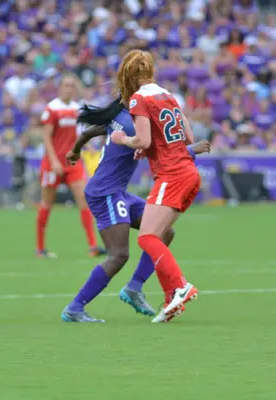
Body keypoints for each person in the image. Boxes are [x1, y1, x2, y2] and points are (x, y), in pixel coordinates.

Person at [60, 96, 211, 322]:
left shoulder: (121, 118)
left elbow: (88, 133)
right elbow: (156, 152)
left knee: (164, 233)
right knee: (119, 255)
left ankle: (134, 287)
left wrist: (75, 151)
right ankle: (74, 308)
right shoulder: (134, 124)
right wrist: (191, 150)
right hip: (105, 193)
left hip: (116, 191)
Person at [110, 50, 202, 323]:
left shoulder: (139, 97)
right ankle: (170, 297)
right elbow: (187, 136)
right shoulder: (167, 95)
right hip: (188, 172)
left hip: (172, 174)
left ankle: (180, 286)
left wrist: (123, 139)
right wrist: (151, 146)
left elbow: (143, 141)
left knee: (147, 237)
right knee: (158, 235)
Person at [36, 74, 105, 258]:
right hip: (53, 164)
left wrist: (86, 146)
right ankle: (40, 248)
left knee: (84, 201)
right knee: (47, 203)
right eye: (66, 85)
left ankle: (93, 246)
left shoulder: (76, 109)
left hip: (72, 163)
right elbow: (46, 138)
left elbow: (77, 135)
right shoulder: (52, 109)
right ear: (60, 87)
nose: (69, 89)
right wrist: (54, 161)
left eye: (72, 86)